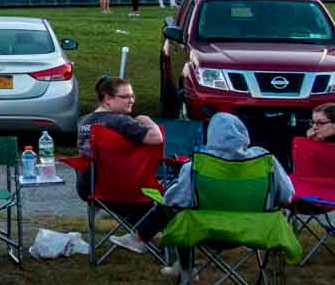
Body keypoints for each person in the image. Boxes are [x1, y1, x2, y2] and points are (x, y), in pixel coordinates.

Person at [76, 76, 168, 260]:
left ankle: (145, 233)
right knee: (174, 197)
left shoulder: (83, 122)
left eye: (132, 96)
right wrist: (148, 120)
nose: (131, 100)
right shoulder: (121, 122)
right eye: (125, 96)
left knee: (137, 200)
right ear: (108, 99)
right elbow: (156, 138)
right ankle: (147, 234)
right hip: (129, 192)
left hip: (91, 189)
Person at [164, 111, 295, 211]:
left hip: (207, 229)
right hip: (255, 228)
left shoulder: (197, 165)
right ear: (243, 133)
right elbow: (287, 195)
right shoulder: (264, 160)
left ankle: (144, 240)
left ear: (210, 134)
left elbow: (177, 200)